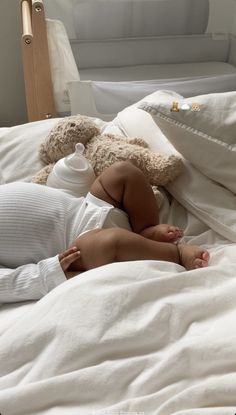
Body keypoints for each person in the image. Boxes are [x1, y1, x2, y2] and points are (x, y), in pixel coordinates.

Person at [0, 161, 209, 303]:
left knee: (123, 172)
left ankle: (145, 229)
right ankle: (177, 254)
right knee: (112, 243)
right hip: (76, 246)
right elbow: (5, 284)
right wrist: (48, 275)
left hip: (87, 207)